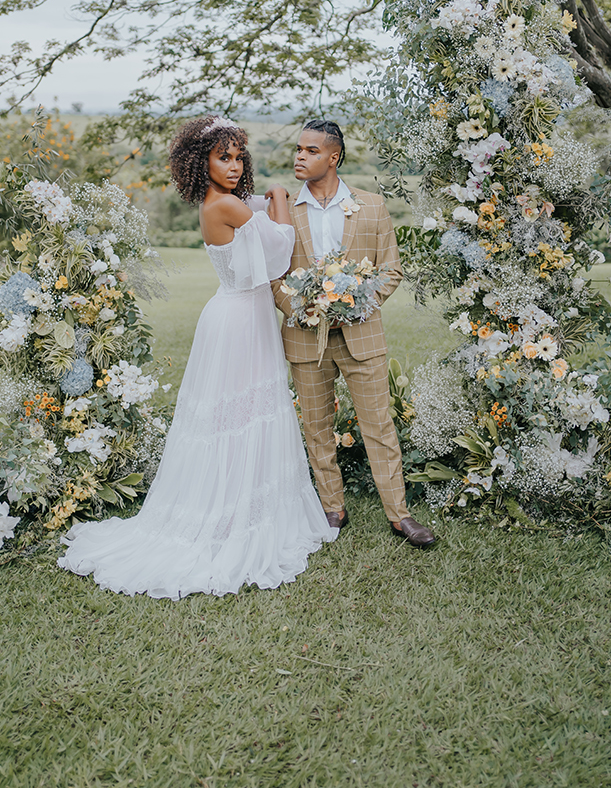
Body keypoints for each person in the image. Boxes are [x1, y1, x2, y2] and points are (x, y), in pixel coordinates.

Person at [58, 115, 337, 598]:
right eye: (221, 157)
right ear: (199, 162)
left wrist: (264, 201)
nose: (233, 166)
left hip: (245, 317)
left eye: (237, 157)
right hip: (235, 323)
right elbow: (281, 245)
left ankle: (241, 504)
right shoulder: (223, 205)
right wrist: (277, 195)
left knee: (250, 412)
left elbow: (261, 235)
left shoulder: (227, 202)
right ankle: (225, 515)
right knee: (232, 417)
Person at [272, 120, 436, 548]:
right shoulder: (284, 210)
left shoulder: (372, 205)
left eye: (310, 150)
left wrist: (353, 304)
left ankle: (400, 515)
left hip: (362, 335)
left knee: (378, 424)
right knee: (316, 425)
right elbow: (273, 277)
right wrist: (301, 307)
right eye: (298, 149)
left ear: (333, 156)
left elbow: (390, 270)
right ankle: (332, 507)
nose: (300, 157)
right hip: (306, 337)